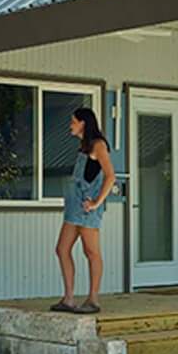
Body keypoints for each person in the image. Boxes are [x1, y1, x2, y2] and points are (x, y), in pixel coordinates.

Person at [52, 107, 115, 314]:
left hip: (87, 209)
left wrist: (96, 202)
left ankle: (93, 299)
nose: (70, 125)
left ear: (83, 123)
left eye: (73, 121)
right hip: (73, 208)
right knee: (62, 249)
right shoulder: (83, 146)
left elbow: (110, 176)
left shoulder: (98, 146)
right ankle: (68, 298)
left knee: (92, 252)